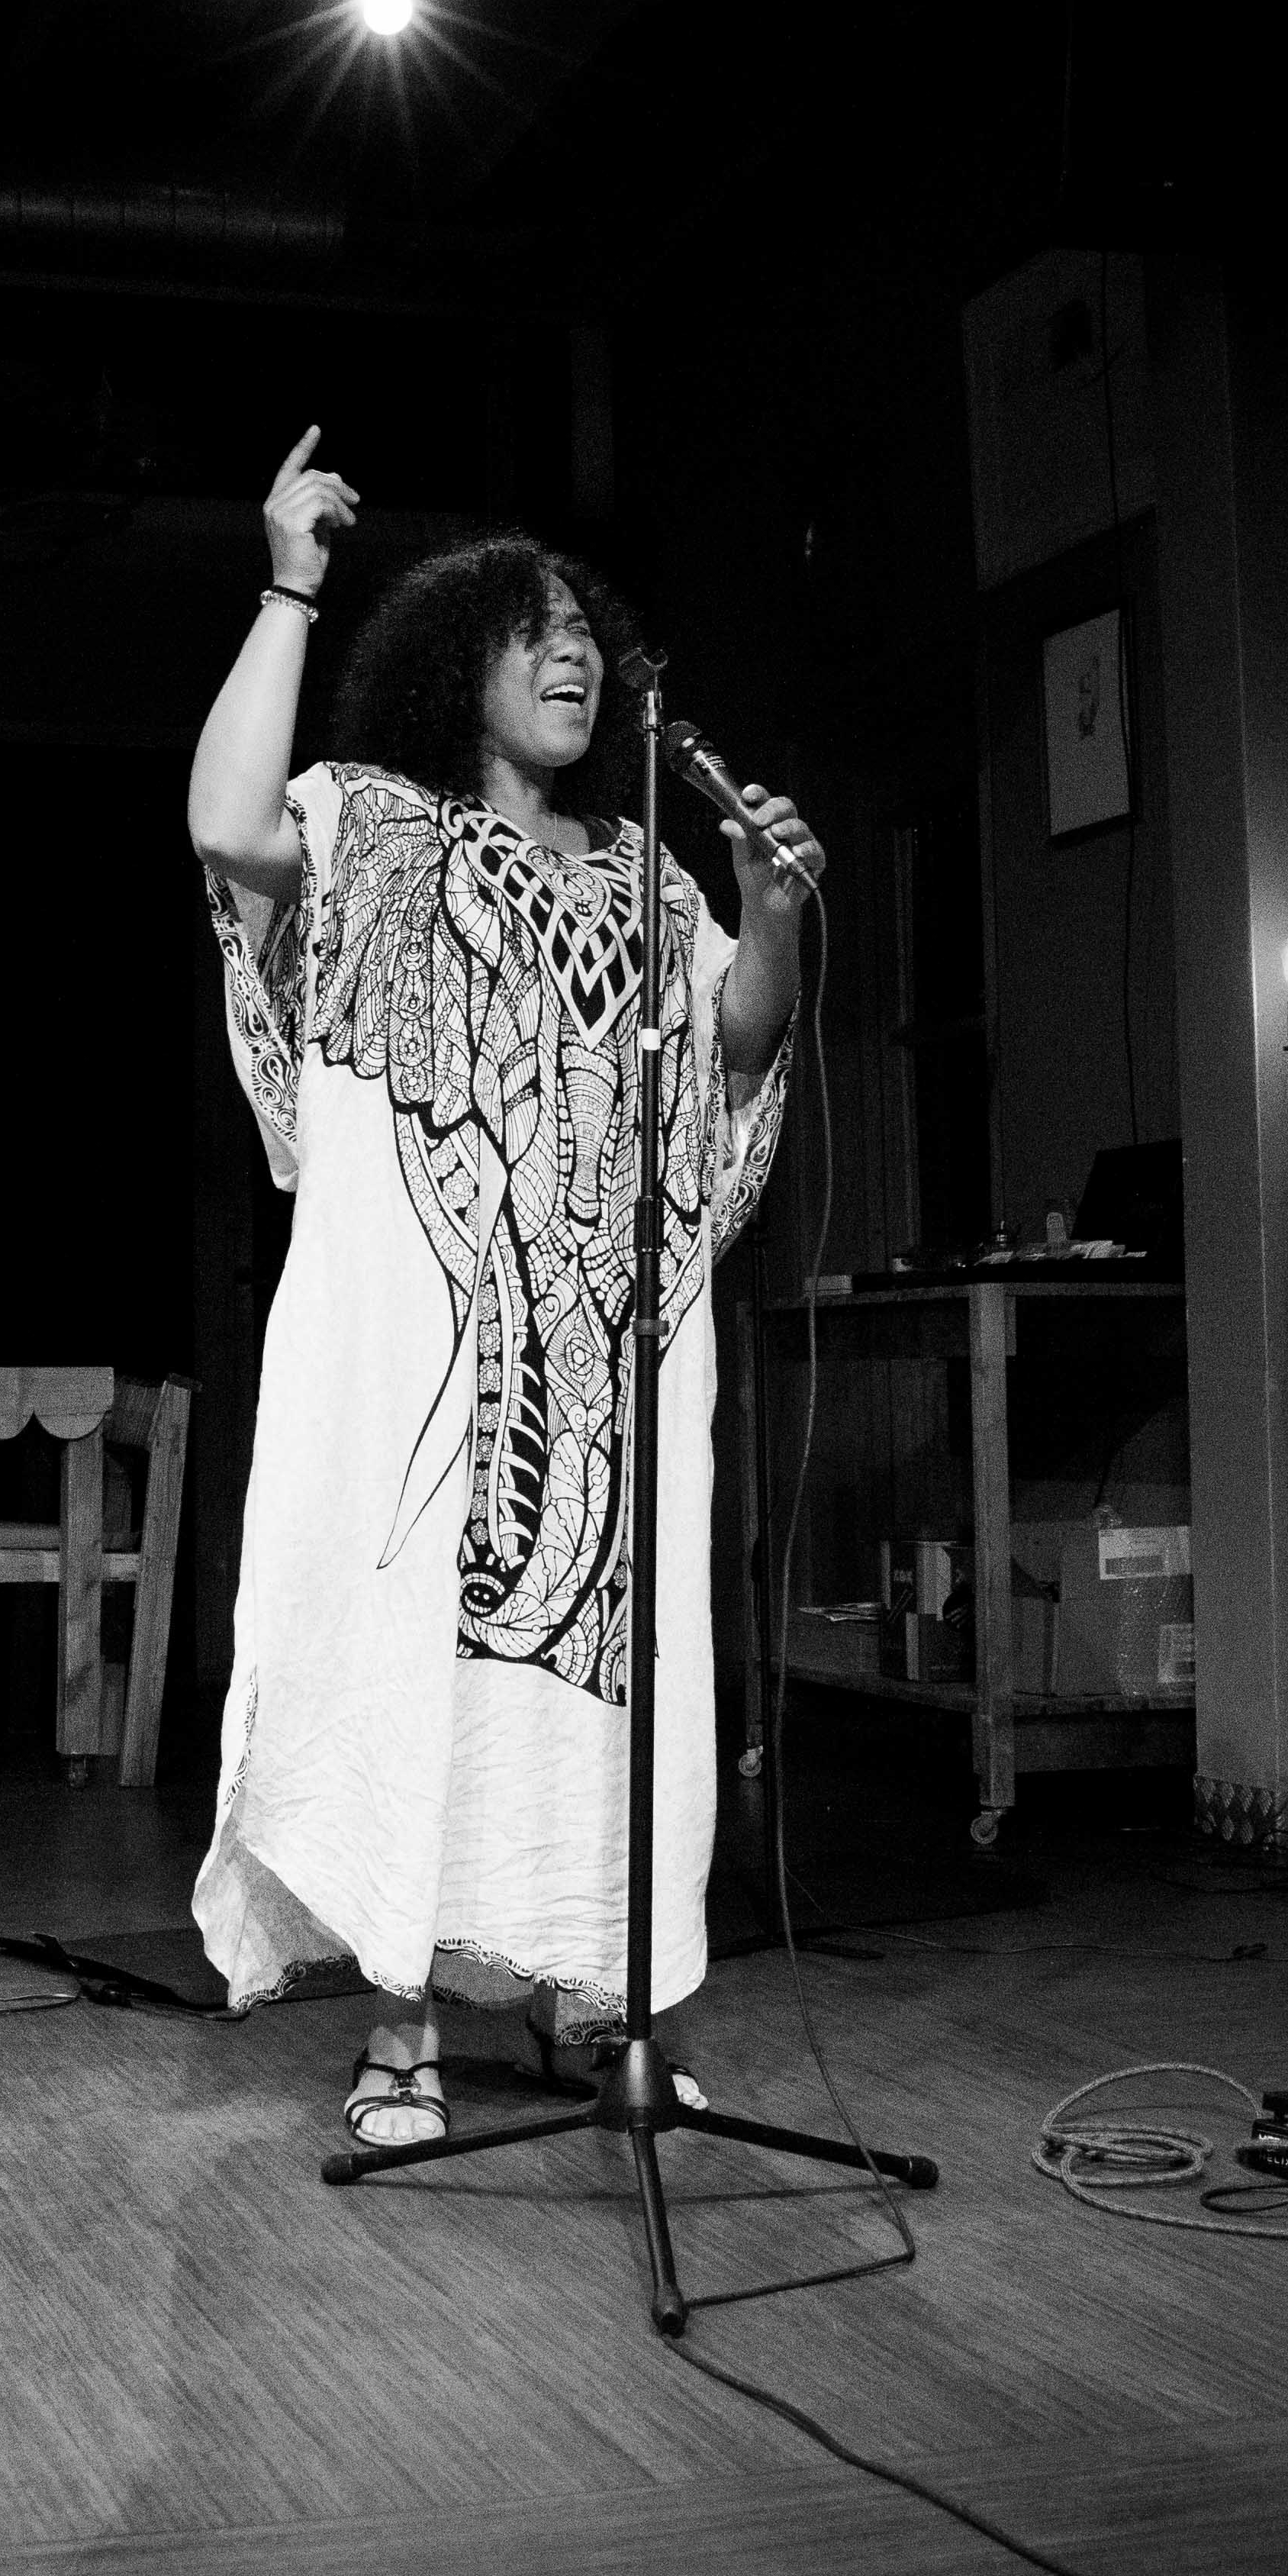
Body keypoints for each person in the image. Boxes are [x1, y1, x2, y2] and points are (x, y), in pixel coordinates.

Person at [185, 427, 816, 2147]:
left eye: (583, 631)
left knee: (599, 1688)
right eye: (530, 630)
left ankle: (591, 1996)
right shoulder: (378, 829)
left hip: (606, 1349)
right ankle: (399, 2024)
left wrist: (764, 910)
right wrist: (289, 585)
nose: (570, 652)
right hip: (436, 1352)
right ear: (452, 668)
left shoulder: (646, 869)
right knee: (421, 1666)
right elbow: (227, 821)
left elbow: (732, 1051)